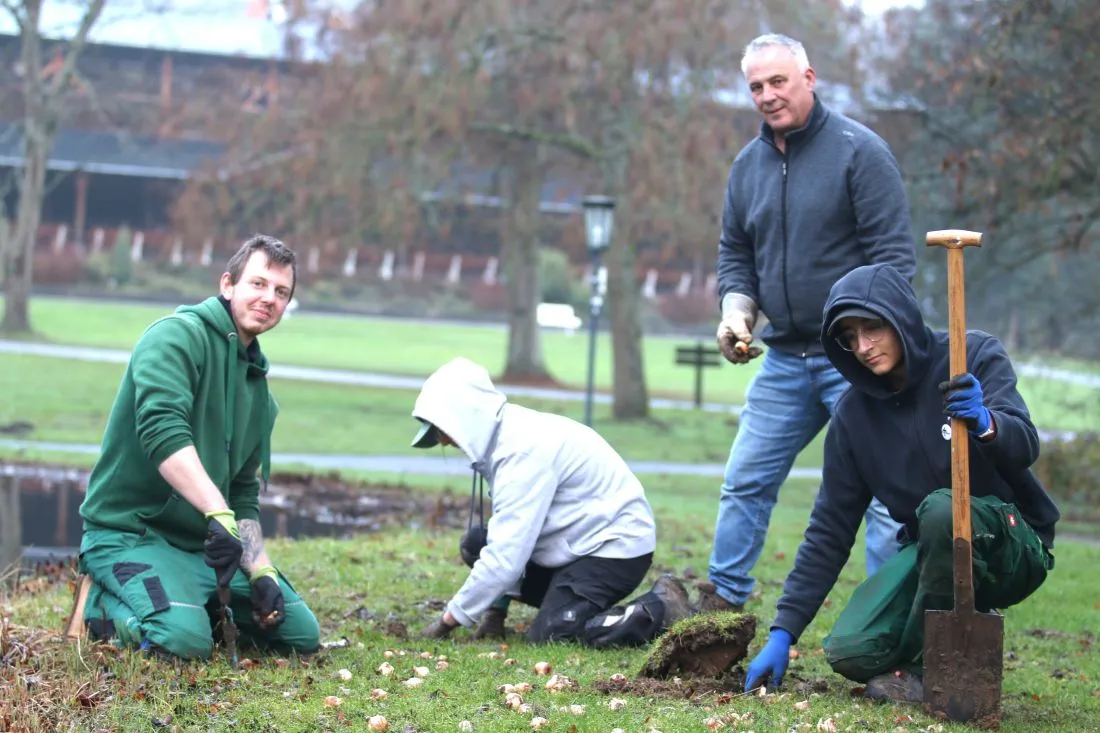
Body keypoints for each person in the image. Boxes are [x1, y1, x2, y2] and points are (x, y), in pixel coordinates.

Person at [743, 263, 1060, 702]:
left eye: (872, 327)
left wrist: (987, 422)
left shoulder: (971, 356)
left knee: (943, 510)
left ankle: (929, 672)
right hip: (933, 552)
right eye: (850, 337)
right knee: (851, 650)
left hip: (1014, 541)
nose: (863, 347)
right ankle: (941, 636)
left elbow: (1025, 445)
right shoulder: (853, 417)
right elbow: (830, 530)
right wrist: (784, 631)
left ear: (902, 318)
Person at [703, 33, 917, 613]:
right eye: (756, 86)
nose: (768, 95)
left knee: (884, 497)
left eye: (778, 81)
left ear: (809, 78)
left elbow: (894, 262)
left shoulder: (860, 152)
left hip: (855, 362)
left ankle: (883, 624)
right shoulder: (747, 167)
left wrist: (867, 341)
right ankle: (721, 604)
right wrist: (736, 313)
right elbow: (736, 255)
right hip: (783, 360)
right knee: (745, 480)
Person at [76, 234, 321, 660]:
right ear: (228, 285)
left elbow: (242, 492)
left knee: (298, 633)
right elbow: (163, 432)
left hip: (203, 547)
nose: (269, 298)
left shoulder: (261, 397)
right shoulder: (173, 338)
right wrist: (217, 513)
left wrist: (260, 569)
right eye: (258, 284)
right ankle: (99, 605)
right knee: (182, 641)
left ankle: (192, 606)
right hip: (130, 534)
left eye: (281, 292)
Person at [410, 357, 695, 647]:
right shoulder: (504, 435)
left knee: (553, 634)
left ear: (465, 417)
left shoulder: (522, 453)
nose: (443, 441)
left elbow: (507, 557)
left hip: (614, 548)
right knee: (477, 543)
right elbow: (507, 539)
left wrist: (448, 621)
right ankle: (571, 607)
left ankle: (660, 608)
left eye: (441, 430)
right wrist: (495, 613)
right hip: (574, 543)